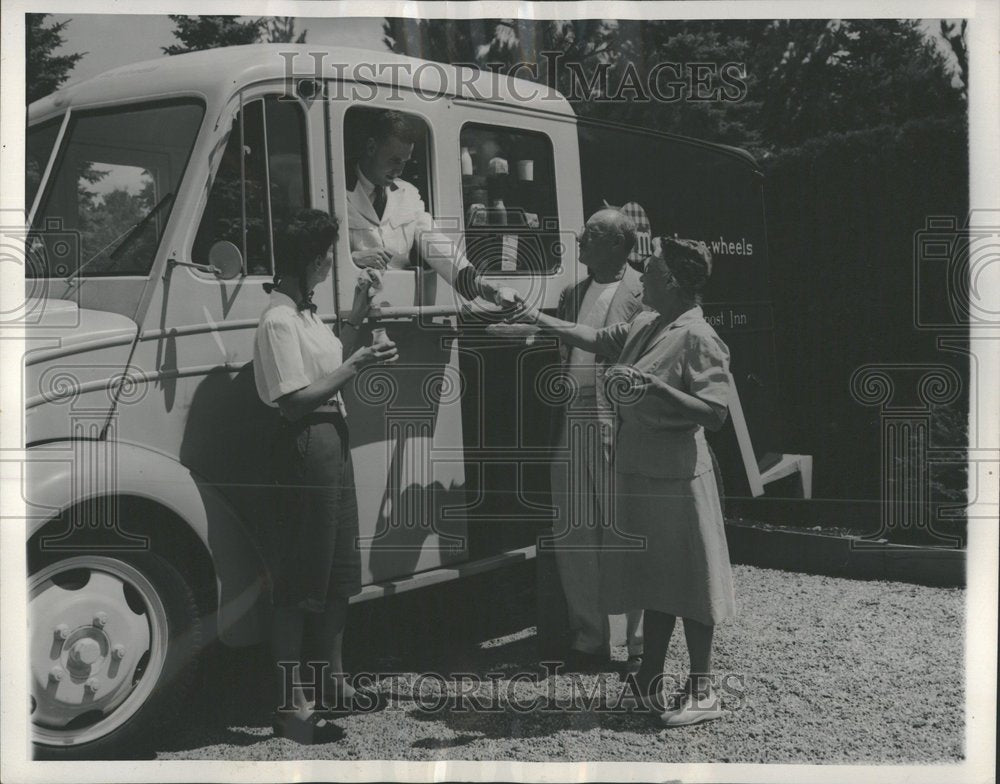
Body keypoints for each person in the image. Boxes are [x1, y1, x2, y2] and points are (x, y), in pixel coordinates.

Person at [508, 236, 735, 726]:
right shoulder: (645, 323)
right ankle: (648, 682)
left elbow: (715, 414)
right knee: (656, 580)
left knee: (692, 582)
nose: (640, 272)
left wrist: (655, 388)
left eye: (648, 268)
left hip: (677, 475)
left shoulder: (698, 336)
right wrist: (533, 316)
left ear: (671, 280)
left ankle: (704, 689)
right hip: (639, 470)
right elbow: (590, 338)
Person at [253, 208, 398, 743]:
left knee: (337, 571)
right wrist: (357, 364)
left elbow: (322, 365)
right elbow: (293, 402)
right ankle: (291, 707)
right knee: (297, 580)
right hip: (304, 444)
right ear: (313, 261)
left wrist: (356, 321)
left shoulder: (305, 316)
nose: (328, 266)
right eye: (327, 258)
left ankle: (333, 684)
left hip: (331, 441)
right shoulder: (277, 321)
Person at [550, 208, 645, 673]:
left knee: (623, 527)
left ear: (614, 244)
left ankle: (638, 642)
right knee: (575, 530)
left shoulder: (645, 292)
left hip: (617, 417)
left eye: (588, 236)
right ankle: (589, 639)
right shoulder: (573, 292)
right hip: (575, 415)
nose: (579, 241)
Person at [346, 109, 517, 307]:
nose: (400, 170)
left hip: (397, 311)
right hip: (353, 312)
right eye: (394, 160)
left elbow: (435, 243)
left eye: (404, 162)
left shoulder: (408, 194)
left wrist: (481, 285)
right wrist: (352, 258)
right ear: (371, 147)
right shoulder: (334, 189)